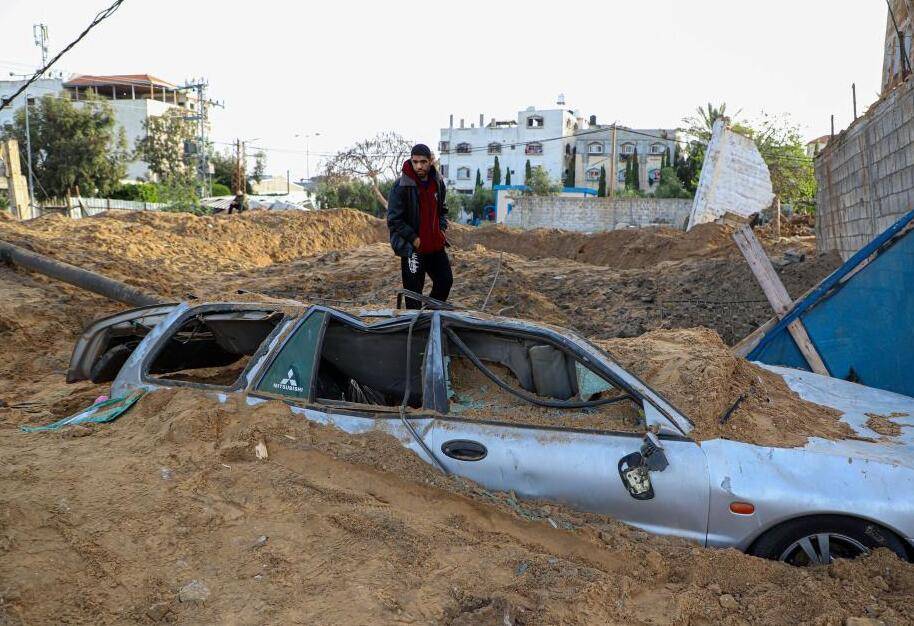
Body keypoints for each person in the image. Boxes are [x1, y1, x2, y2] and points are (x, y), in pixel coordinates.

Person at [386, 143, 452, 309]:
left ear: (430, 161)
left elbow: (443, 210)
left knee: (445, 281)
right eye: (415, 162)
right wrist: (414, 239)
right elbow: (394, 219)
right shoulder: (401, 186)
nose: (419, 166)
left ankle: (428, 317)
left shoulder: (438, 182)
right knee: (413, 294)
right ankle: (415, 329)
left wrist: (441, 229)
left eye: (423, 162)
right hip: (413, 248)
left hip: (435, 245)